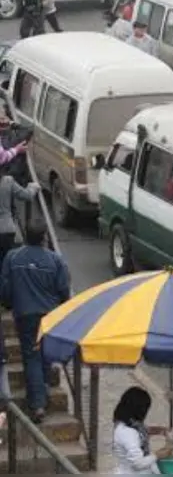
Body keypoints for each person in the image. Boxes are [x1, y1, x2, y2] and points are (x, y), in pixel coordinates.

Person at [0, 223, 70, 423]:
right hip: (49, 314)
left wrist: (8, 303)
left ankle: (38, 403)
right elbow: (64, 288)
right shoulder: (55, 260)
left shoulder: (13, 257)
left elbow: (5, 286)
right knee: (45, 353)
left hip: (25, 314)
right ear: (44, 238)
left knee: (31, 356)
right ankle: (44, 389)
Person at [112, 387, 171, 474]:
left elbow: (143, 430)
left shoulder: (127, 422)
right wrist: (158, 455)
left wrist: (161, 430)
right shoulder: (128, 433)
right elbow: (138, 463)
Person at [0, 175, 39, 263]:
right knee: (6, 262)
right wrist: (32, 187)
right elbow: (27, 195)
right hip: (6, 229)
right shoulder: (7, 181)